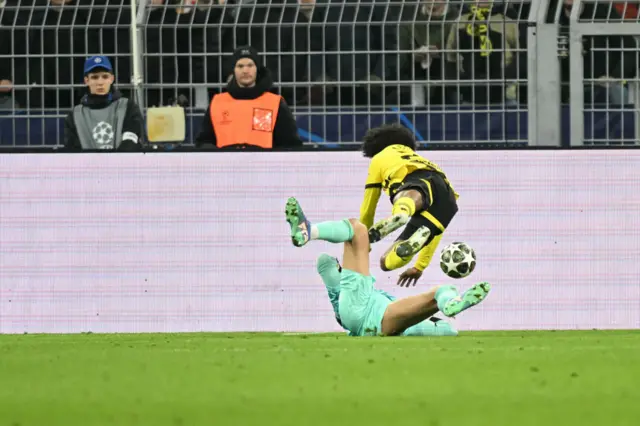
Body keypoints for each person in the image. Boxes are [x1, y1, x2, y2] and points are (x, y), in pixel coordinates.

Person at [285, 197, 490, 337]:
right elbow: (448, 331)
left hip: (363, 311)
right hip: (372, 322)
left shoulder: (357, 296)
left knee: (357, 230)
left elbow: (324, 261)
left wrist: (357, 254)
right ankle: (449, 302)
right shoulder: (411, 320)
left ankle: (308, 231)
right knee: (442, 292)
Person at [359, 123, 459, 287]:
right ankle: (405, 243)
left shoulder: (380, 157)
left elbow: (369, 205)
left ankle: (402, 213)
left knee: (410, 192)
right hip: (448, 198)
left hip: (415, 182)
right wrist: (419, 267)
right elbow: (436, 232)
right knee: (387, 262)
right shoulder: (425, 160)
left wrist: (363, 239)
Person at [195, 45, 302, 150]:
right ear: (233, 70)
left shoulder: (274, 103)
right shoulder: (218, 103)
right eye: (240, 66)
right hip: (226, 166)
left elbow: (290, 145)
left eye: (250, 65)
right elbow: (204, 142)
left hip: (263, 166)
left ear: (257, 69)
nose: (245, 71)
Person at [64, 55, 144, 151]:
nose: (100, 82)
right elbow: (72, 151)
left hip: (121, 165)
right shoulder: (74, 116)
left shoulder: (128, 107)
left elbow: (131, 142)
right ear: (86, 80)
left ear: (112, 79)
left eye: (105, 76)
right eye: (95, 77)